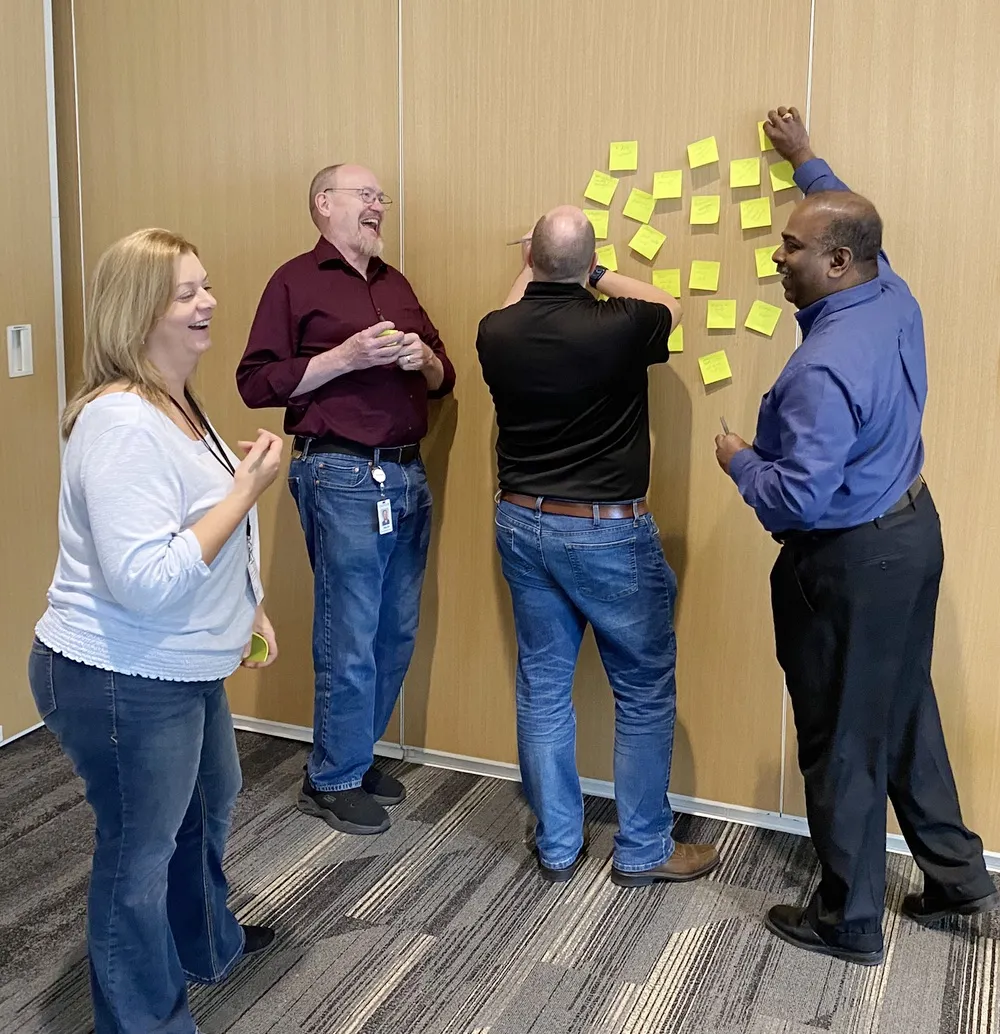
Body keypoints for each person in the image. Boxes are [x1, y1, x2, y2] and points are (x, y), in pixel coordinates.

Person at [715, 108, 998, 965]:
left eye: (793, 248)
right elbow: (847, 212)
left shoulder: (822, 366)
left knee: (840, 734)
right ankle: (955, 876)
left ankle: (849, 919)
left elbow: (793, 500)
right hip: (912, 535)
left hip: (849, 562)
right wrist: (806, 162)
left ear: (839, 263)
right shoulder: (890, 290)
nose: (777, 255)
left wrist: (737, 459)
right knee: (903, 705)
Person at [29, 228, 285, 1034]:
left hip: (180, 663)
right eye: (186, 293)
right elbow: (143, 580)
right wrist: (246, 492)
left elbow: (196, 535)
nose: (208, 302)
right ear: (138, 313)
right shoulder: (120, 423)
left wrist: (248, 608)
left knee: (213, 797)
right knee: (137, 857)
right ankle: (145, 1022)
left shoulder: (177, 401)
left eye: (204, 286)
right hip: (121, 674)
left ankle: (205, 942)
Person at [477, 206, 721, 886]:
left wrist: (534, 263)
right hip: (606, 530)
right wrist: (601, 271)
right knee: (641, 693)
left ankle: (558, 844)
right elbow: (669, 303)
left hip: (523, 522)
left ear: (531, 263)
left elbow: (512, 304)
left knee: (543, 686)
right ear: (588, 263)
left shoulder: (496, 332)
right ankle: (643, 848)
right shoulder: (623, 325)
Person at [236, 164, 455, 836]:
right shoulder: (293, 280)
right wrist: (344, 357)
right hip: (338, 474)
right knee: (350, 634)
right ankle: (329, 778)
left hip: (405, 475)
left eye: (380, 198)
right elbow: (255, 382)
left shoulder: (397, 283)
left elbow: (445, 378)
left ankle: (353, 761)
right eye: (365, 196)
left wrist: (426, 361)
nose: (377, 207)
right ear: (322, 204)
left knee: (396, 630)